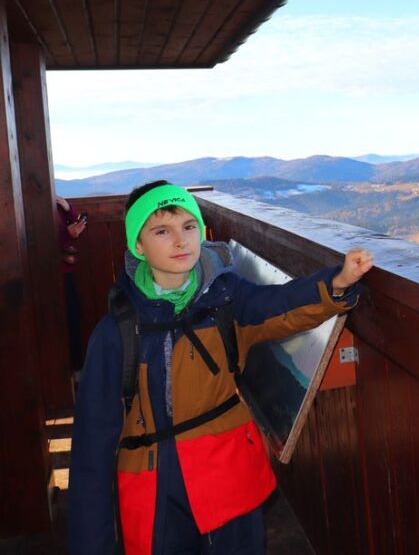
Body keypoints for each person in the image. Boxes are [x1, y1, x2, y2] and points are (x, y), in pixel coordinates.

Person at [68, 181, 373, 555]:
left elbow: (279, 306)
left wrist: (336, 284)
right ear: (138, 246)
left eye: (189, 226)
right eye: (162, 231)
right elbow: (92, 450)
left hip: (226, 469)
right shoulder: (116, 333)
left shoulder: (226, 297)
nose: (181, 241)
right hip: (154, 486)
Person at [56, 196, 88, 376]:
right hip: (50, 275)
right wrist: (67, 235)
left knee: (74, 319)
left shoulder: (53, 203)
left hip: (65, 272)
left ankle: (77, 370)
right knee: (65, 323)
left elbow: (75, 221)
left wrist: (68, 208)